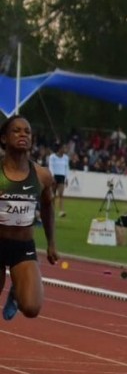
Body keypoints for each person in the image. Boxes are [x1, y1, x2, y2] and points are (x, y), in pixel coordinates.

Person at [0, 115, 59, 321]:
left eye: (27, 131)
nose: (23, 134)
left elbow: (48, 207)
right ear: (4, 139)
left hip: (22, 247)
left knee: (32, 308)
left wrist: (51, 243)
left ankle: (16, 293)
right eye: (16, 130)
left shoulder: (42, 175)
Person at [47, 144, 70, 217]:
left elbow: (67, 168)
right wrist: (52, 176)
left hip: (62, 176)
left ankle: (62, 210)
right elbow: (51, 166)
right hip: (55, 175)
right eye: (63, 148)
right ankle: (51, 210)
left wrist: (67, 178)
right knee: (53, 194)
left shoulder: (66, 158)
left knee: (61, 194)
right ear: (59, 149)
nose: (65, 150)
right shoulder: (52, 157)